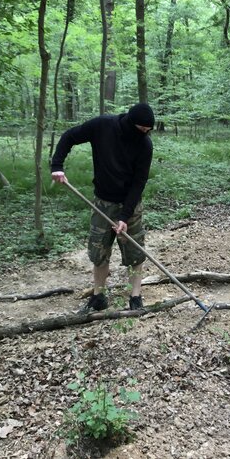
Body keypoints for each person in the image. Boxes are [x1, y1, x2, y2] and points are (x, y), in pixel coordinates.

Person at [50, 103, 154, 311]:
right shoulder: (102, 126)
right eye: (141, 129)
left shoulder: (145, 145)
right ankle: (98, 296)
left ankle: (135, 297)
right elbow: (69, 136)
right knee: (99, 251)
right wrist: (57, 166)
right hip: (102, 203)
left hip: (130, 205)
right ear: (130, 123)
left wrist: (124, 216)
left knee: (135, 252)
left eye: (148, 131)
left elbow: (138, 183)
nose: (144, 134)